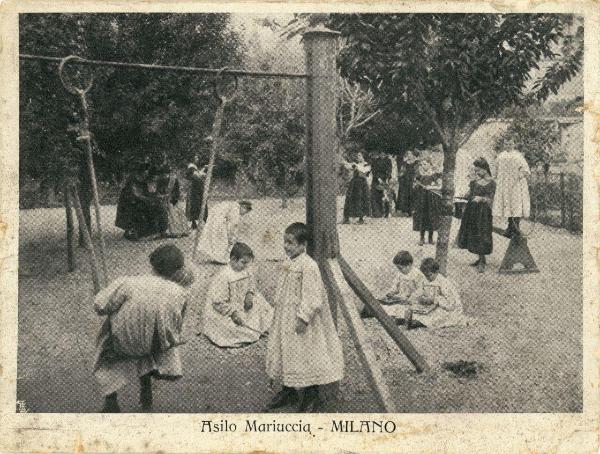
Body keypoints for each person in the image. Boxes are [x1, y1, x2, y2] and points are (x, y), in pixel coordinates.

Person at [93, 244, 193, 413]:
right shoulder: (181, 292)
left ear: (151, 264)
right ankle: (146, 387)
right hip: (157, 345)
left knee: (106, 344)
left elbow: (100, 306)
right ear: (177, 270)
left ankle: (111, 399)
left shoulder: (129, 283)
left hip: (124, 343)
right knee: (151, 329)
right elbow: (178, 323)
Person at [266, 223, 344, 412]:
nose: (286, 246)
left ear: (303, 245)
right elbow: (281, 289)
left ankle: (312, 393)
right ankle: (289, 389)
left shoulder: (309, 266)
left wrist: (303, 317)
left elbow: (313, 296)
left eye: (291, 243)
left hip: (302, 320)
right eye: (285, 242)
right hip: (285, 316)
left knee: (307, 353)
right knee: (286, 351)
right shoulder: (287, 263)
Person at [200, 242, 273, 348]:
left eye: (248, 263)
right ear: (233, 259)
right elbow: (217, 301)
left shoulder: (246, 270)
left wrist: (249, 294)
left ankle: (261, 327)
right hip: (228, 308)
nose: (246, 266)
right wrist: (232, 313)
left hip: (243, 303)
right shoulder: (224, 276)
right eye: (243, 262)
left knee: (261, 305)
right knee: (230, 327)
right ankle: (248, 332)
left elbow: (251, 284)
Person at [402, 258, 471, 330]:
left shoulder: (443, 283)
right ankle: (412, 321)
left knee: (438, 316)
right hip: (430, 306)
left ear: (437, 272)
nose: (427, 278)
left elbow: (452, 303)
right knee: (412, 309)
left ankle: (418, 323)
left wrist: (435, 300)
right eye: (425, 275)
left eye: (429, 275)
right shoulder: (425, 280)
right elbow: (420, 291)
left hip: (446, 308)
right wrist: (416, 298)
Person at [457, 157, 496, 273]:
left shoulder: (492, 183)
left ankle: (483, 261)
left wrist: (482, 198)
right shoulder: (474, 182)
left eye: (478, 170)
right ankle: (479, 258)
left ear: (485, 169)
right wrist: (463, 195)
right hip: (472, 211)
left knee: (482, 234)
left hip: (484, 213)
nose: (477, 173)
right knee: (474, 233)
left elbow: (493, 199)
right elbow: (469, 194)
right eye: (475, 170)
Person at [493, 137, 531, 238]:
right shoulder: (500, 156)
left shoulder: (518, 156)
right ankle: (510, 228)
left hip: (516, 185)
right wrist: (497, 179)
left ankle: (516, 228)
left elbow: (526, 170)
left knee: (516, 205)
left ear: (513, 144)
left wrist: (521, 174)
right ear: (504, 144)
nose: (508, 146)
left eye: (510, 144)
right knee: (507, 205)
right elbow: (495, 171)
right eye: (506, 144)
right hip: (505, 185)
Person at [377, 250, 426, 320]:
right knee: (388, 308)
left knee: (407, 310)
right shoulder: (400, 275)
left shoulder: (417, 274)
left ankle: (402, 318)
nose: (399, 270)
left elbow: (420, 290)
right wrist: (391, 293)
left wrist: (410, 298)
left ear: (409, 265)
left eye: (401, 268)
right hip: (400, 301)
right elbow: (395, 287)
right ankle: (398, 317)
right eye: (398, 268)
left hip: (412, 301)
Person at [412, 158, 441, 246]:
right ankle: (421, 238)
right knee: (422, 217)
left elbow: (440, 186)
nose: (423, 166)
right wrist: (416, 185)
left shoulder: (434, 175)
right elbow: (414, 187)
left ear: (430, 165)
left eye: (425, 164)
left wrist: (431, 187)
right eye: (422, 164)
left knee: (431, 217)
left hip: (431, 200)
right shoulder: (419, 176)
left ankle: (430, 238)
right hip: (421, 199)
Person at [156, 165, 190, 238]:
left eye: (166, 174)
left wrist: (173, 199)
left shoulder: (174, 180)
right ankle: (173, 232)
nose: (165, 175)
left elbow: (177, 191)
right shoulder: (161, 180)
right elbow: (159, 191)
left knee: (177, 214)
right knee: (170, 215)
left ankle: (181, 231)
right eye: (163, 174)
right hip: (166, 199)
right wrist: (163, 196)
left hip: (173, 199)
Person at [342, 151, 372, 224]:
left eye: (359, 156)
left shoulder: (366, 164)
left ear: (363, 156)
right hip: (354, 183)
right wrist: (345, 163)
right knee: (349, 198)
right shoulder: (355, 164)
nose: (358, 157)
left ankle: (361, 218)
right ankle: (346, 218)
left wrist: (356, 166)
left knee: (361, 199)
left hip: (362, 184)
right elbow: (348, 167)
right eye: (357, 156)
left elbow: (364, 172)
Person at [185, 158, 209, 229]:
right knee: (195, 205)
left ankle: (197, 222)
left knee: (197, 204)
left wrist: (204, 169)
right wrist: (203, 173)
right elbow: (197, 176)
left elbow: (198, 175)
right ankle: (195, 222)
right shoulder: (191, 167)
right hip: (195, 190)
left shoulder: (194, 168)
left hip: (196, 189)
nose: (197, 159)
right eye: (196, 157)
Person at [397, 150, 419, 216]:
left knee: (413, 194)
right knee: (406, 194)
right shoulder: (405, 163)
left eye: (410, 154)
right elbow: (401, 172)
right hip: (406, 180)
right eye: (407, 154)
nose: (408, 155)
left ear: (413, 154)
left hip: (413, 180)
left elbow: (417, 172)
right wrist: (400, 175)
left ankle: (413, 210)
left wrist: (415, 179)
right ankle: (407, 211)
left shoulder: (416, 163)